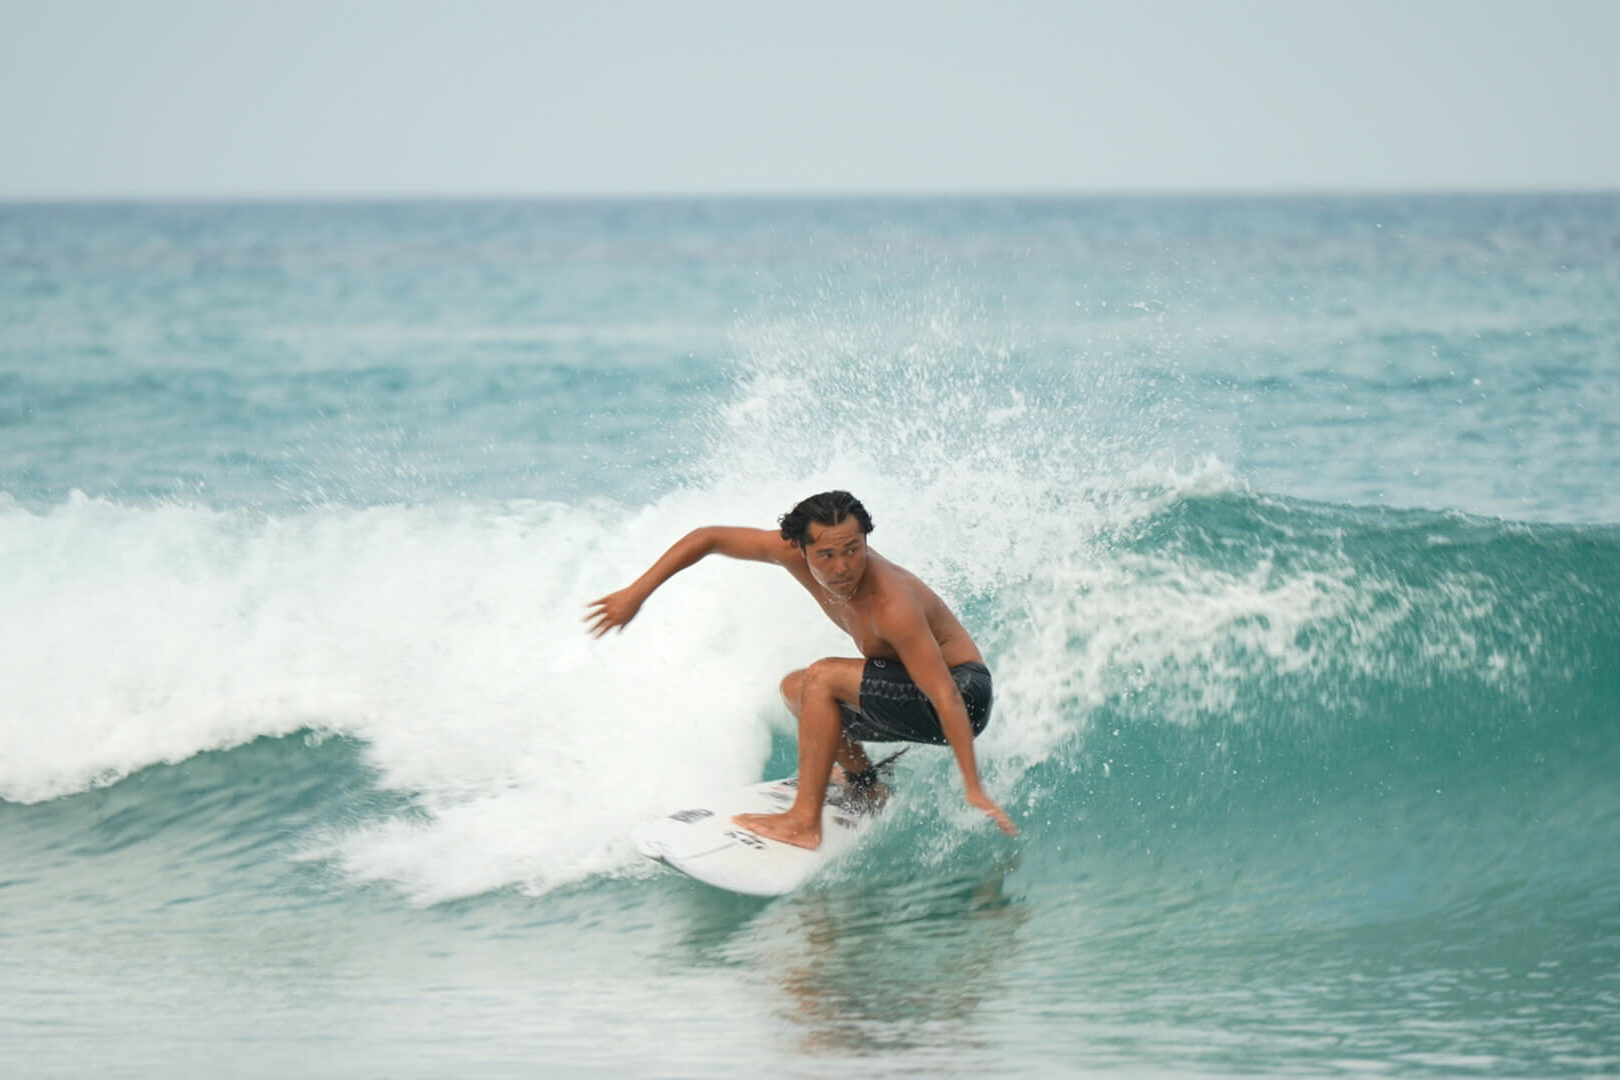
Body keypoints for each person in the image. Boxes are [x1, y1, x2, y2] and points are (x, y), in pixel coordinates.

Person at [585, 490, 1017, 849]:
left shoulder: (892, 604)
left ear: (865, 539)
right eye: (826, 555)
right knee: (796, 688)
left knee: (823, 676)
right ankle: (866, 785)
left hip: (963, 695)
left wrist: (973, 785)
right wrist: (636, 593)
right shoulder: (788, 553)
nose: (842, 566)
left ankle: (804, 822)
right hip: (914, 688)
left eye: (853, 549)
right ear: (800, 549)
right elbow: (709, 538)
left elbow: (943, 694)